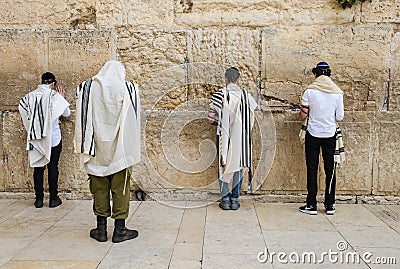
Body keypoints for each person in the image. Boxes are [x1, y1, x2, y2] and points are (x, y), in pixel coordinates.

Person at [74, 60, 141, 243]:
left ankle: (101, 230)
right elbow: (133, 118)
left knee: (99, 189)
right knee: (121, 189)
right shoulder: (129, 88)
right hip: (120, 149)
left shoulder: (87, 87)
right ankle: (120, 230)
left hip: (96, 148)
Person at [208, 67, 257, 210]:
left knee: (223, 164)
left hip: (224, 136)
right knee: (238, 166)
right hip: (241, 137)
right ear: (238, 79)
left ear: (225, 78)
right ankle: (235, 199)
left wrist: (223, 122)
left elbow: (211, 120)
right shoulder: (246, 96)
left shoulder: (218, 95)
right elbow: (252, 115)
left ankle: (225, 199)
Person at [19, 72, 70, 208]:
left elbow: (22, 108)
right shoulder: (55, 97)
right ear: (53, 84)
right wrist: (61, 98)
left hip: (36, 138)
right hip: (53, 138)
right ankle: (53, 199)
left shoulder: (30, 97)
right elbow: (66, 113)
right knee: (53, 167)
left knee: (38, 168)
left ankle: (39, 200)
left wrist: (32, 128)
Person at [299, 62, 344, 215]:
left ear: (315, 74)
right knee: (330, 170)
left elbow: (303, 115)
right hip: (330, 135)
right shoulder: (337, 93)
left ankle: (311, 204)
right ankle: (330, 205)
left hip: (313, 134)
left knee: (312, 169)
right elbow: (340, 116)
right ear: (329, 74)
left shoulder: (309, 92)